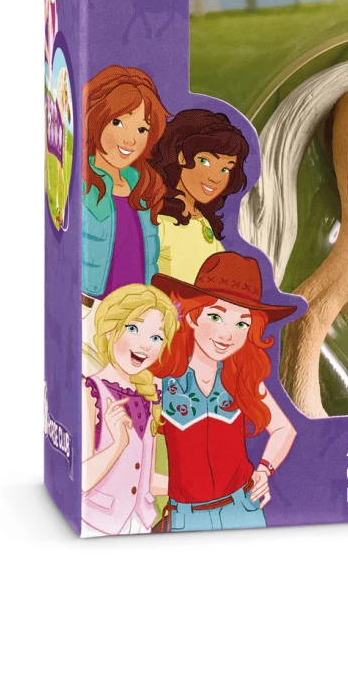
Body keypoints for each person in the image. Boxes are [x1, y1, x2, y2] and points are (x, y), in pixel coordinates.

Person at [151, 253, 297, 531]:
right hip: (185, 517)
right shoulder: (163, 381)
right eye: (216, 316)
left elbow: (284, 429)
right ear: (192, 316)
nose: (227, 335)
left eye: (241, 323)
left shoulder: (240, 377)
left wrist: (264, 469)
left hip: (243, 509)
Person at [81, 284, 178, 535]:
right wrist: (118, 444)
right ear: (109, 330)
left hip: (140, 524)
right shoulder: (90, 390)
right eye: (133, 329)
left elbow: (148, 480)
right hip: (96, 525)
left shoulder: (149, 396)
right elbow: (81, 479)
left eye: (156, 338)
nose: (144, 346)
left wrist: (201, 488)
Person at [82, 66, 168, 304]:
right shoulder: (81, 183)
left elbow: (149, 255)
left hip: (138, 309)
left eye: (142, 129)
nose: (130, 140)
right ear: (95, 117)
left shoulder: (144, 185)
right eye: (118, 122)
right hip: (92, 307)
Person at [152, 108, 250, 285]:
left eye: (225, 169)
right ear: (182, 157)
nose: (215, 178)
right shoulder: (159, 221)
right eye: (205, 161)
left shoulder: (201, 220)